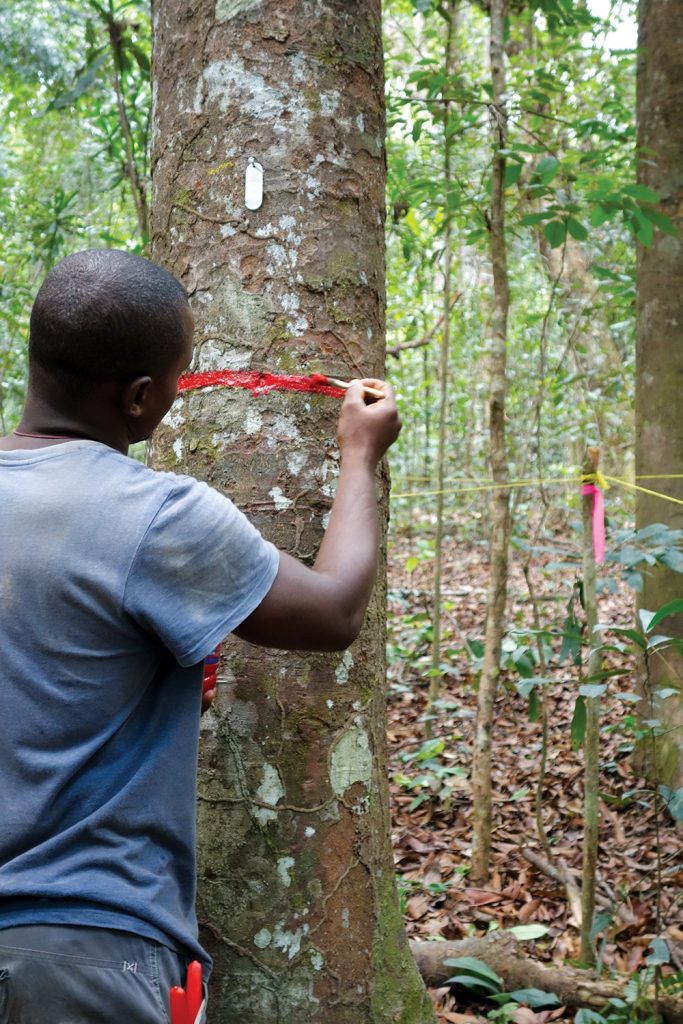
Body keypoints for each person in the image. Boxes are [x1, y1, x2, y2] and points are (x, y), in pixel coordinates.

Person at [0, 249, 401, 1023]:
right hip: (86, 954)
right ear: (142, 397)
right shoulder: (156, 516)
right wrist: (360, 454)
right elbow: (332, 612)